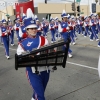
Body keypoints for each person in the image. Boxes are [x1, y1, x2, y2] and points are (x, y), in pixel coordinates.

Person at [16, 8, 50, 100]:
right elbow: (19, 55)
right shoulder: (23, 43)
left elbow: (49, 52)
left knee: (40, 91)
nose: (34, 30)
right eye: (31, 28)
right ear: (27, 30)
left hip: (45, 70)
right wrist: (28, 55)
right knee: (41, 96)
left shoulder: (44, 39)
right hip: (32, 71)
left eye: (35, 28)